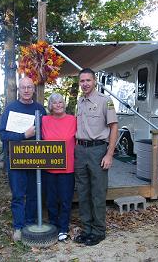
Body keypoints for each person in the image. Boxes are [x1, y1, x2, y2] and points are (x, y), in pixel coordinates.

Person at [74, 68, 118, 246]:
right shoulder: (80, 101)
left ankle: (99, 231)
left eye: (88, 80)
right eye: (82, 81)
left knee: (98, 193)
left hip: (98, 150)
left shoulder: (105, 101)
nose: (85, 84)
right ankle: (87, 229)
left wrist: (109, 154)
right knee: (83, 192)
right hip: (80, 150)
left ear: (95, 81)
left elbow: (114, 127)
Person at [0, 77, 46, 241]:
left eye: (29, 87)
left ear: (34, 89)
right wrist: (23, 135)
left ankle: (30, 222)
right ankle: (18, 227)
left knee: (33, 193)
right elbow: (3, 135)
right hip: (16, 159)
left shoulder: (40, 109)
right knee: (18, 194)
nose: (26, 90)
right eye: (23, 87)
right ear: (18, 90)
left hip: (35, 159)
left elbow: (47, 134)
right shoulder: (11, 109)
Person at [42, 93, 76, 242]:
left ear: (64, 103)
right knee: (50, 200)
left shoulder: (73, 120)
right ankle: (53, 225)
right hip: (49, 167)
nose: (58, 104)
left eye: (60, 101)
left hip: (68, 168)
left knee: (65, 199)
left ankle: (63, 228)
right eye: (54, 102)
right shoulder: (43, 120)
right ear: (50, 105)